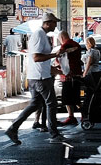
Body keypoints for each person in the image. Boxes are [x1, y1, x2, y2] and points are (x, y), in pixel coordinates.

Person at [5, 13, 62, 143]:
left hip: (38, 75)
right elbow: (36, 57)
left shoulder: (42, 35)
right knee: (51, 103)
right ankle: (54, 133)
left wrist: (54, 69)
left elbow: (42, 60)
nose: (55, 25)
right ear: (47, 23)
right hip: (40, 77)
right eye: (54, 22)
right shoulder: (39, 35)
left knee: (35, 104)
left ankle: (13, 128)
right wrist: (54, 55)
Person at [53, 31, 83, 125]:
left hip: (67, 75)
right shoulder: (76, 44)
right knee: (76, 97)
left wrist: (56, 63)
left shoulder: (64, 46)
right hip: (77, 73)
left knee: (67, 98)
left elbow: (59, 60)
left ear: (61, 38)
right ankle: (84, 114)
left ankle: (71, 116)